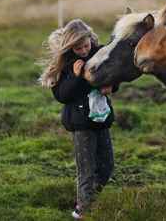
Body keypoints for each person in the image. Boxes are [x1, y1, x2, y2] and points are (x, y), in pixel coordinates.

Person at [39, 19, 116, 220]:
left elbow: (111, 76)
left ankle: (88, 200)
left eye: (86, 45)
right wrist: (75, 76)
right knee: (87, 170)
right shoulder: (65, 63)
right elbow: (62, 95)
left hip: (101, 119)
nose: (83, 50)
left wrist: (111, 87)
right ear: (70, 46)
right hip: (81, 123)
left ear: (90, 39)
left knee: (107, 166)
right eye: (78, 47)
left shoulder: (99, 53)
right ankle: (82, 212)